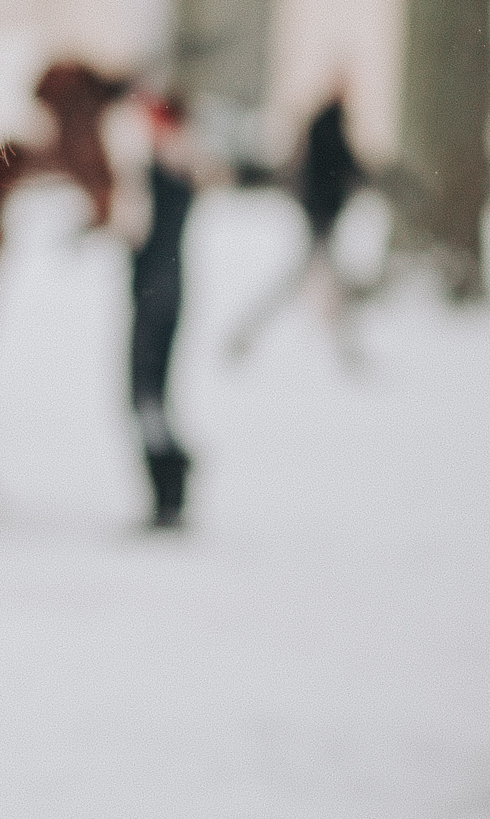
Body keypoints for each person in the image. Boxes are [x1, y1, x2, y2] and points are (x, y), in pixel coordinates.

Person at [226, 93, 364, 365]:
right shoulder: (329, 125)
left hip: (321, 217)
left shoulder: (326, 124)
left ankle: (348, 349)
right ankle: (349, 351)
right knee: (314, 283)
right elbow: (333, 169)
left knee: (317, 283)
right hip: (320, 219)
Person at [129, 93, 203, 529]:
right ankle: (170, 484)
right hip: (161, 290)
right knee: (148, 395)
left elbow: (142, 229)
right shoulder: (173, 166)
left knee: (146, 395)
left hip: (156, 295)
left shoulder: (167, 169)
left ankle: (171, 490)